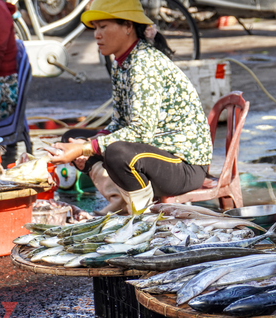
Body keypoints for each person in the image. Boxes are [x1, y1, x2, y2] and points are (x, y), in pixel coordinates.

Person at [51, 0, 212, 215]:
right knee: (73, 137)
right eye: (95, 28)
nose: (96, 35)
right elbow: (119, 121)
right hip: (154, 153)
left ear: (128, 26)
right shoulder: (120, 62)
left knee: (117, 152)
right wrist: (86, 144)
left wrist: (85, 149)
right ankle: (120, 201)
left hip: (183, 165)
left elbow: (140, 131)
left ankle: (141, 216)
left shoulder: (143, 63)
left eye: (103, 26)